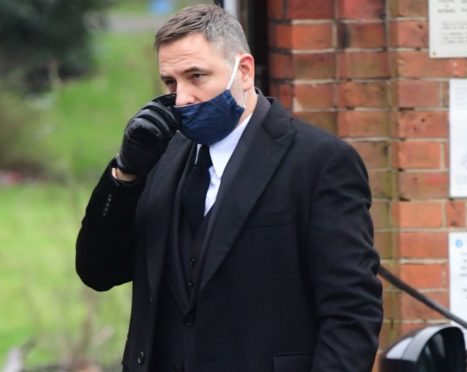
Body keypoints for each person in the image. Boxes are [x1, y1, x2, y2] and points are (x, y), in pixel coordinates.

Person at [76, 4, 383, 372]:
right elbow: (98, 271)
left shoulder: (318, 162)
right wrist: (125, 174)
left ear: (245, 70)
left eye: (196, 76)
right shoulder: (162, 154)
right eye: (171, 83)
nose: (182, 97)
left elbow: (352, 313)